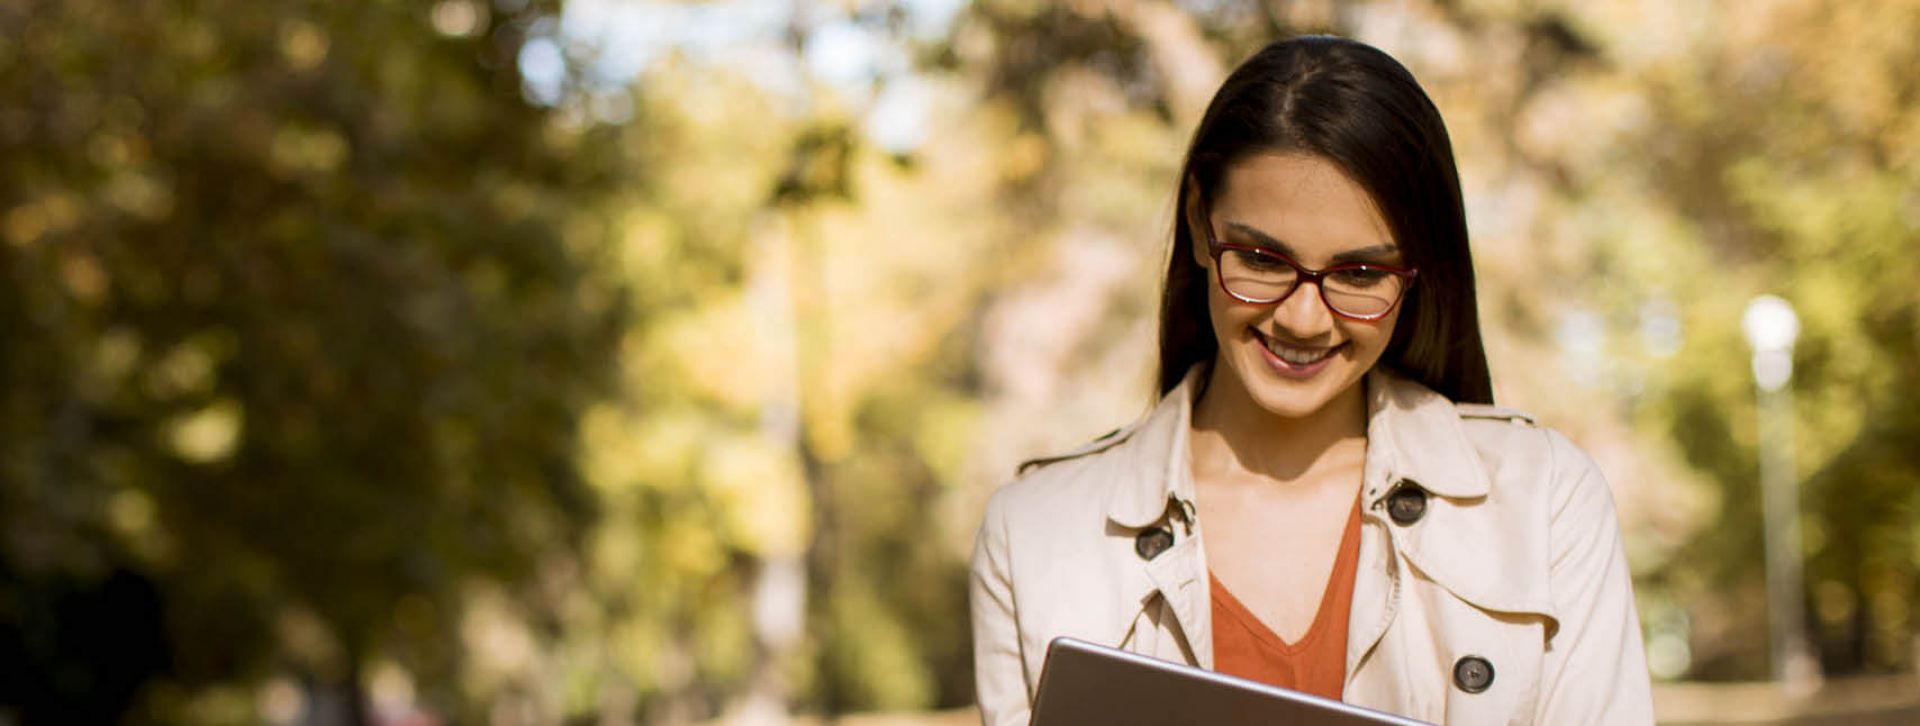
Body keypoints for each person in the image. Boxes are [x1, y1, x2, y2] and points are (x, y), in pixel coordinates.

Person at [968, 35, 1653, 725]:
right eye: (1263, 259)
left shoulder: (1546, 502)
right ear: (1200, 223)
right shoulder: (1034, 535)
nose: (1303, 319)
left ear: (1416, 268)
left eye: (1360, 274)